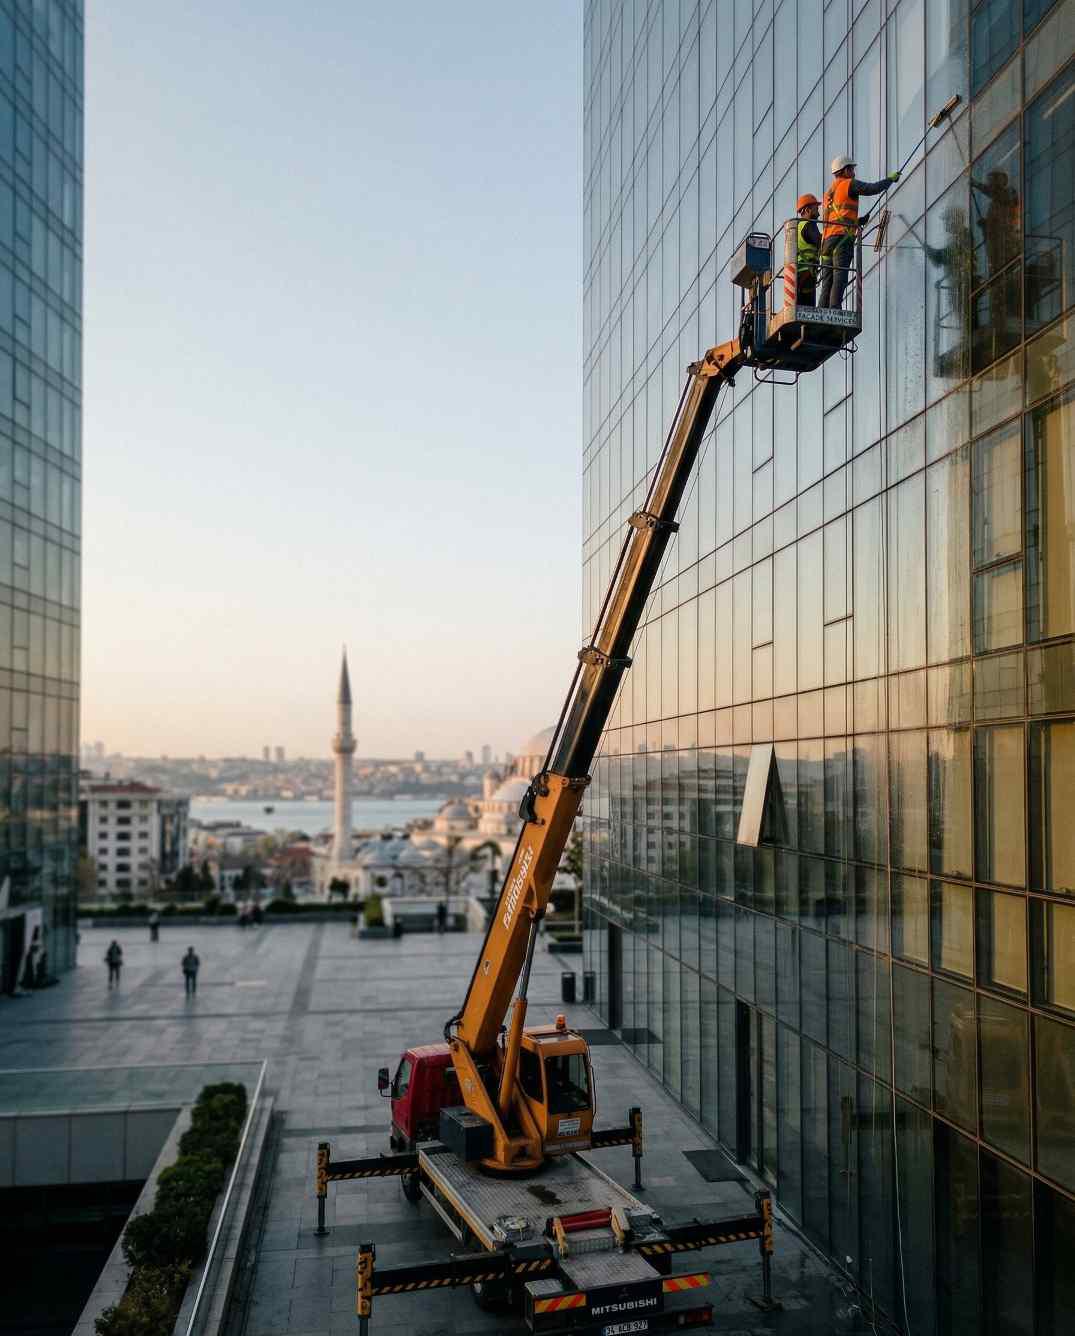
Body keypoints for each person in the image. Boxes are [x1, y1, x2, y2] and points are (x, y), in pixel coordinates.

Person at [818, 154, 900, 308]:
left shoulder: (829, 193)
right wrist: (890, 180)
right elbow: (872, 188)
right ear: (845, 170)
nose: (854, 173)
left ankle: (822, 311)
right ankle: (835, 311)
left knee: (827, 282)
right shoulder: (849, 184)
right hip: (842, 240)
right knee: (839, 278)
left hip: (827, 242)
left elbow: (836, 217)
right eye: (852, 169)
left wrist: (858, 221)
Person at [794, 194, 822, 306]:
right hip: (807, 273)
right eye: (816, 209)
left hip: (799, 274)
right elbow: (820, 242)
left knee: (801, 310)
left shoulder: (798, 226)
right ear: (807, 209)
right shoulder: (809, 225)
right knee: (808, 312)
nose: (819, 213)